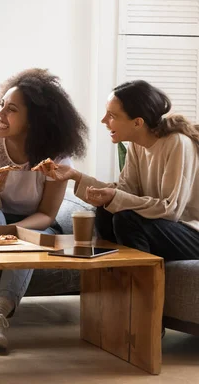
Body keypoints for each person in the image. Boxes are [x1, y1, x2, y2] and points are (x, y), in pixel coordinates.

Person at [0, 68, 88, 350]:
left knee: (28, 240)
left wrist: (15, 233)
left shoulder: (57, 156)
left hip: (36, 223)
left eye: (11, 110)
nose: (0, 114)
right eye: (1, 105)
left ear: (34, 120)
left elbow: (48, 214)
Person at [38, 80, 199, 262]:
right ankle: (112, 281)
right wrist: (75, 176)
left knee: (126, 219)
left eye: (112, 115)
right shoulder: (136, 146)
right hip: (163, 228)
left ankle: (138, 284)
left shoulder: (177, 143)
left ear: (137, 123)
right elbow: (125, 192)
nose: (104, 121)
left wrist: (114, 197)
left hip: (190, 233)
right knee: (105, 213)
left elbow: (171, 210)